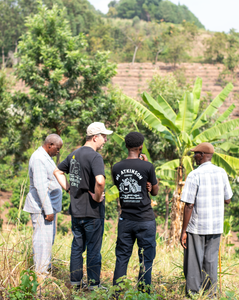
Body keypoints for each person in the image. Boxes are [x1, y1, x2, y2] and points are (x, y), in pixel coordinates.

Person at [53, 122, 113, 290]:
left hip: (76, 211)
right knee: (94, 249)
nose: (105, 140)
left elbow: (57, 171)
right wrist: (97, 196)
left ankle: (75, 282)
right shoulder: (95, 157)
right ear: (95, 137)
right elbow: (100, 181)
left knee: (77, 247)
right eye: (104, 137)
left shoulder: (74, 154)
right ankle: (94, 285)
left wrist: (68, 187)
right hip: (92, 212)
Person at [180, 142, 233, 297]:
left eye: (195, 153)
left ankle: (194, 294)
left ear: (202, 155)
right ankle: (211, 294)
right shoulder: (221, 172)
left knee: (194, 262)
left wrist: (183, 231)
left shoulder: (194, 174)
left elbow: (189, 205)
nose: (194, 156)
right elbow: (228, 199)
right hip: (215, 226)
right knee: (210, 261)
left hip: (197, 226)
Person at [112, 132, 159, 294]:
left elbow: (120, 188)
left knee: (122, 257)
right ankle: (143, 293)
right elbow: (155, 192)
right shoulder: (147, 167)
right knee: (146, 258)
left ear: (126, 146)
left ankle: (117, 293)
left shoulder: (116, 167)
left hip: (125, 219)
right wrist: (148, 179)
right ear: (141, 147)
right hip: (145, 219)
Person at [23, 134, 63, 277]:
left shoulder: (47, 157)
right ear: (50, 145)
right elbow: (41, 186)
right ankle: (40, 272)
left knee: (48, 239)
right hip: (42, 207)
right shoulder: (39, 158)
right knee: (42, 240)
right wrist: (48, 210)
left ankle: (45, 267)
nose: (58, 152)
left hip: (48, 207)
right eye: (57, 149)